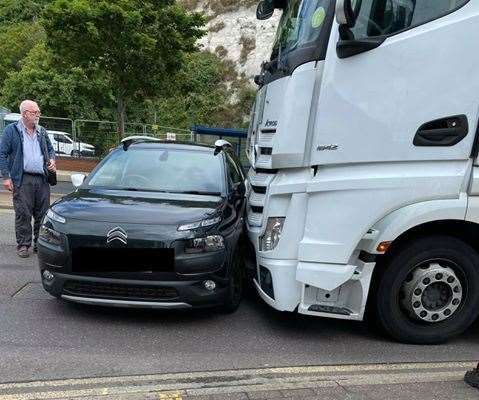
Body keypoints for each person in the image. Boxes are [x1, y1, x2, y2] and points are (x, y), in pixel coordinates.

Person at [0, 100, 56, 258]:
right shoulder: (12, 131)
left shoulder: (42, 131)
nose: (38, 115)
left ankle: (40, 244)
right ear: (24, 114)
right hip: (22, 178)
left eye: (38, 112)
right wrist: (6, 177)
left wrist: (52, 160)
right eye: (34, 112)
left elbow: (51, 150)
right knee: (23, 213)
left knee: (43, 213)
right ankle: (24, 244)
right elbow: (2, 154)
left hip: (42, 179)